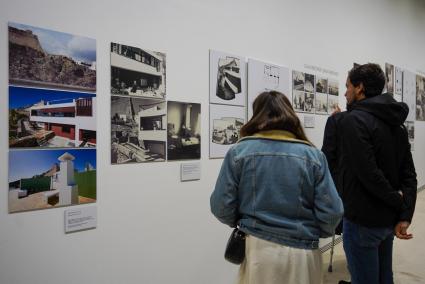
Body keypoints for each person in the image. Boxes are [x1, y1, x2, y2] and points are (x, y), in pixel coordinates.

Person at [210, 91, 344, 284]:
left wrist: (241, 223)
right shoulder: (314, 156)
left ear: (256, 115)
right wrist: (314, 232)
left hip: (258, 251)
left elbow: (221, 207)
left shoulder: (239, 152)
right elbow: (332, 212)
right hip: (304, 252)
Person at [339, 63, 417, 284]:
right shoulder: (395, 123)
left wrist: (398, 203)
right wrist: (404, 213)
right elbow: (409, 174)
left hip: (362, 221)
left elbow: (368, 173)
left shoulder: (352, 121)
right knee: (384, 278)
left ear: (360, 87)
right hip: (387, 221)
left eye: (348, 87)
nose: (345, 92)